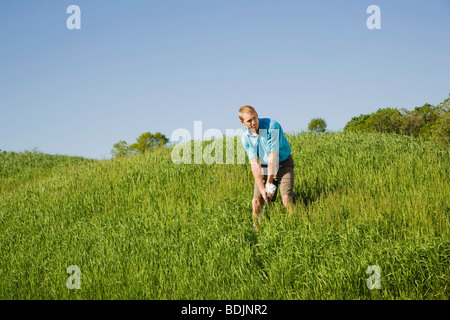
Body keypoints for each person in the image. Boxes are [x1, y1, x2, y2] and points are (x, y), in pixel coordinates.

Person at [239, 105, 294, 229]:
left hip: (283, 163)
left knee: (286, 198)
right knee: (256, 201)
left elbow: (272, 157)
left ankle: (294, 226)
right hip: (264, 165)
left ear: (257, 115)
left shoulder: (272, 126)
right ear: (243, 123)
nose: (253, 123)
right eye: (249, 121)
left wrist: (269, 184)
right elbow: (254, 163)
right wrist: (262, 188)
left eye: (254, 118)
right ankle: (256, 230)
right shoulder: (246, 137)